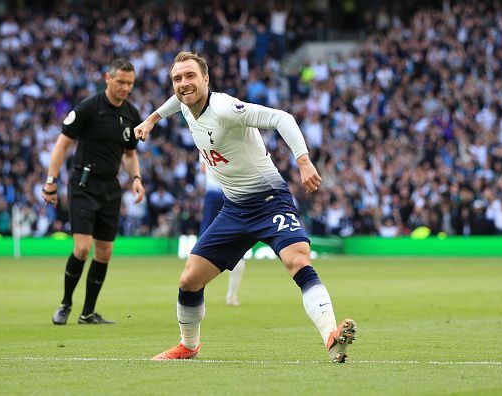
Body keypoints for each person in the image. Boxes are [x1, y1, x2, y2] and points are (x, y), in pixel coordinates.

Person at [135, 51, 356, 363]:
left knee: (297, 260)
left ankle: (330, 335)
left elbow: (282, 118)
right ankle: (188, 345)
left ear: (206, 80)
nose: (183, 84)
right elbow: (176, 102)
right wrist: (152, 119)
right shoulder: (185, 105)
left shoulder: (226, 109)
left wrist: (303, 162)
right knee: (189, 281)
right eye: (177, 78)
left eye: (190, 77)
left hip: (269, 201)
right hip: (235, 208)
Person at [42, 58, 145, 325]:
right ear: (107, 78)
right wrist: (50, 182)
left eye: (130, 83)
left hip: (111, 188)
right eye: (121, 82)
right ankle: (65, 304)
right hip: (83, 185)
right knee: (82, 248)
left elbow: (130, 153)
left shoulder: (131, 114)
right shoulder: (89, 107)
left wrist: (136, 178)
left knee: (104, 252)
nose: (125, 88)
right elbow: (62, 145)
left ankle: (88, 313)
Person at [200, 160, 246, 306]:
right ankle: (232, 296)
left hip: (214, 196)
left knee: (204, 246)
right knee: (239, 245)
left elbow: (202, 168)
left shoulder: (202, 138)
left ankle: (197, 292)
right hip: (235, 194)